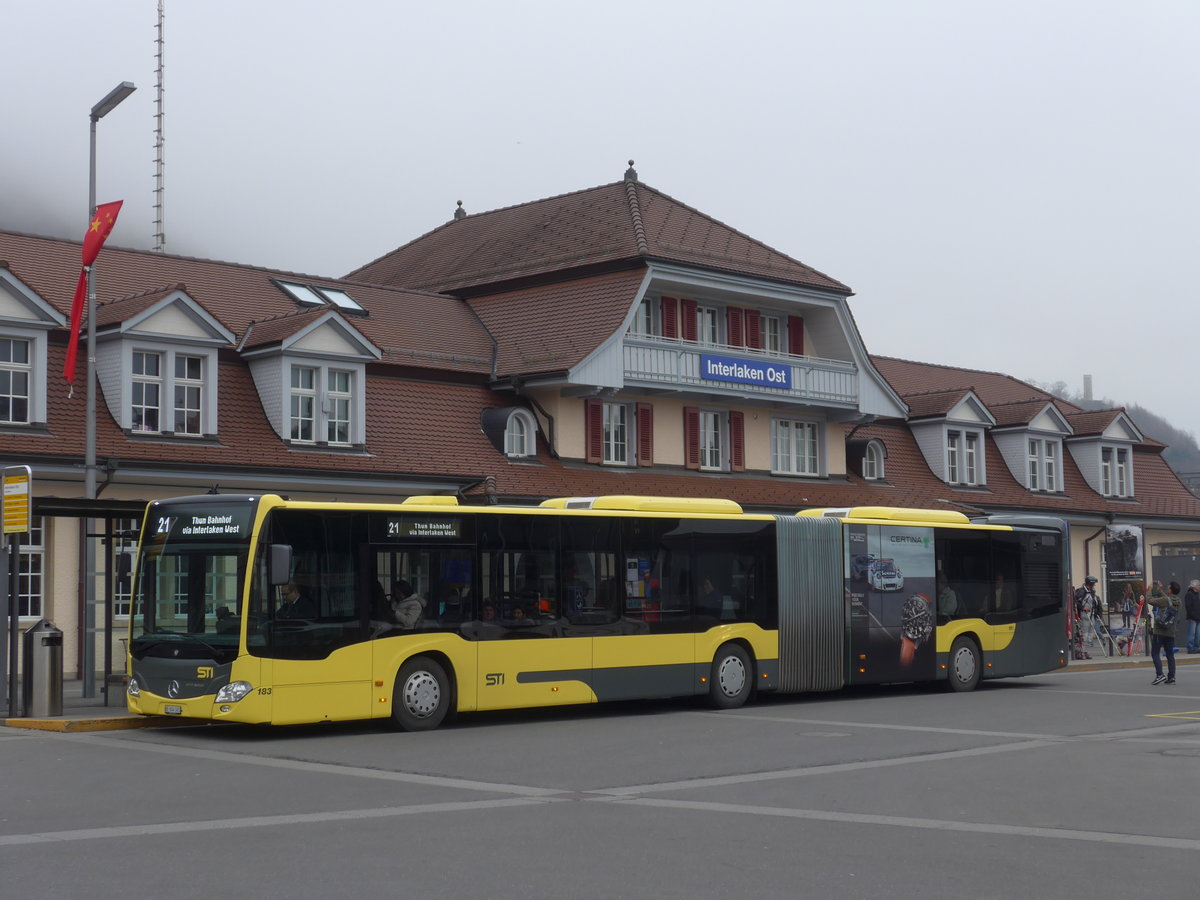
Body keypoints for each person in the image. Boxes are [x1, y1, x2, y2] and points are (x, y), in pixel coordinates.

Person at [1145, 581, 1182, 685]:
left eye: (1168, 587)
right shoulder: (1178, 601)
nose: (1167, 588)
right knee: (1170, 655)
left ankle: (1160, 675)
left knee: (1155, 653)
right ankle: (1171, 677)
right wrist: (1160, 591)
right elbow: (1167, 600)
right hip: (1171, 632)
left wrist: (1150, 590)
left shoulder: (1165, 600)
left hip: (1160, 631)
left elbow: (1150, 600)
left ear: (1170, 590)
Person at [1185, 579, 1200, 654]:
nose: (1199, 587)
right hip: (1192, 617)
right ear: (1194, 586)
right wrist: (1193, 615)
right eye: (1198, 585)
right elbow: (1188, 607)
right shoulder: (1189, 594)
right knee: (1192, 633)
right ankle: (1190, 648)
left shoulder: (1197, 594)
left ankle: (1196, 647)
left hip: (1198, 617)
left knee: (1197, 634)